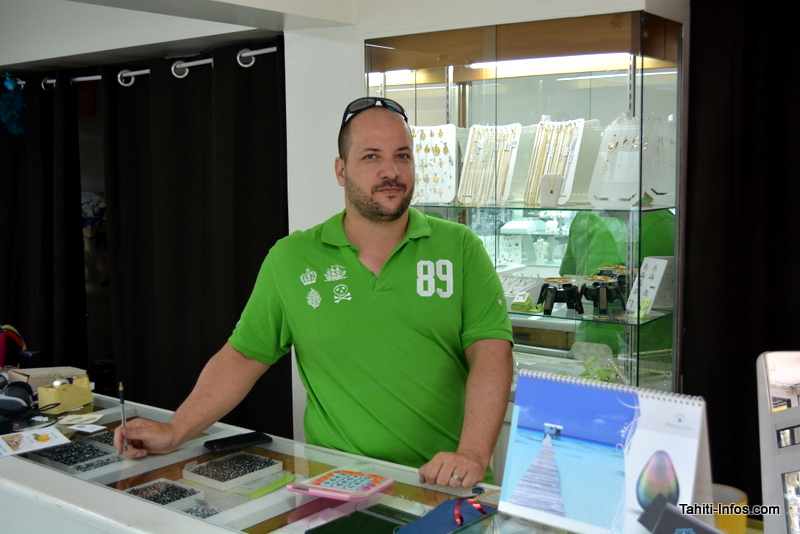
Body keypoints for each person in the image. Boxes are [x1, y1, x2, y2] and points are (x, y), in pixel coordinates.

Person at [115, 97, 514, 489]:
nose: (391, 172)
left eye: (402, 156)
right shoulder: (292, 258)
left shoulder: (460, 247)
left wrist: (472, 453)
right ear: (341, 170)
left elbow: (491, 352)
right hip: (339, 484)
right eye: (371, 157)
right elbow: (243, 357)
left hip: (444, 482)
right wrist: (176, 430)